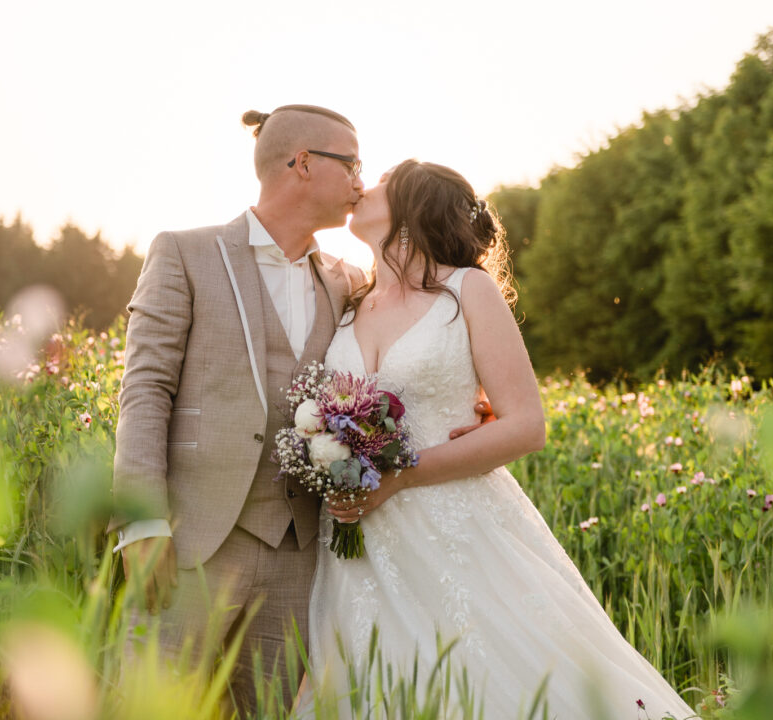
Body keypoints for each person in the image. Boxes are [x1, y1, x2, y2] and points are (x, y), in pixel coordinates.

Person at [108, 106, 490, 711]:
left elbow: (404, 353)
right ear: (304, 164)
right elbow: (145, 388)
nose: (363, 183)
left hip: (302, 554)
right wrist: (140, 521)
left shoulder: (349, 281)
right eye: (353, 165)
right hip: (191, 543)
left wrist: (472, 411)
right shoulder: (184, 253)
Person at [306, 160, 699, 719]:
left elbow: (525, 425)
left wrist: (402, 476)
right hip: (356, 542)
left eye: (380, 184)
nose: (360, 190)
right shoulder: (345, 299)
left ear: (412, 210)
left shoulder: (466, 290)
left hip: (452, 523)